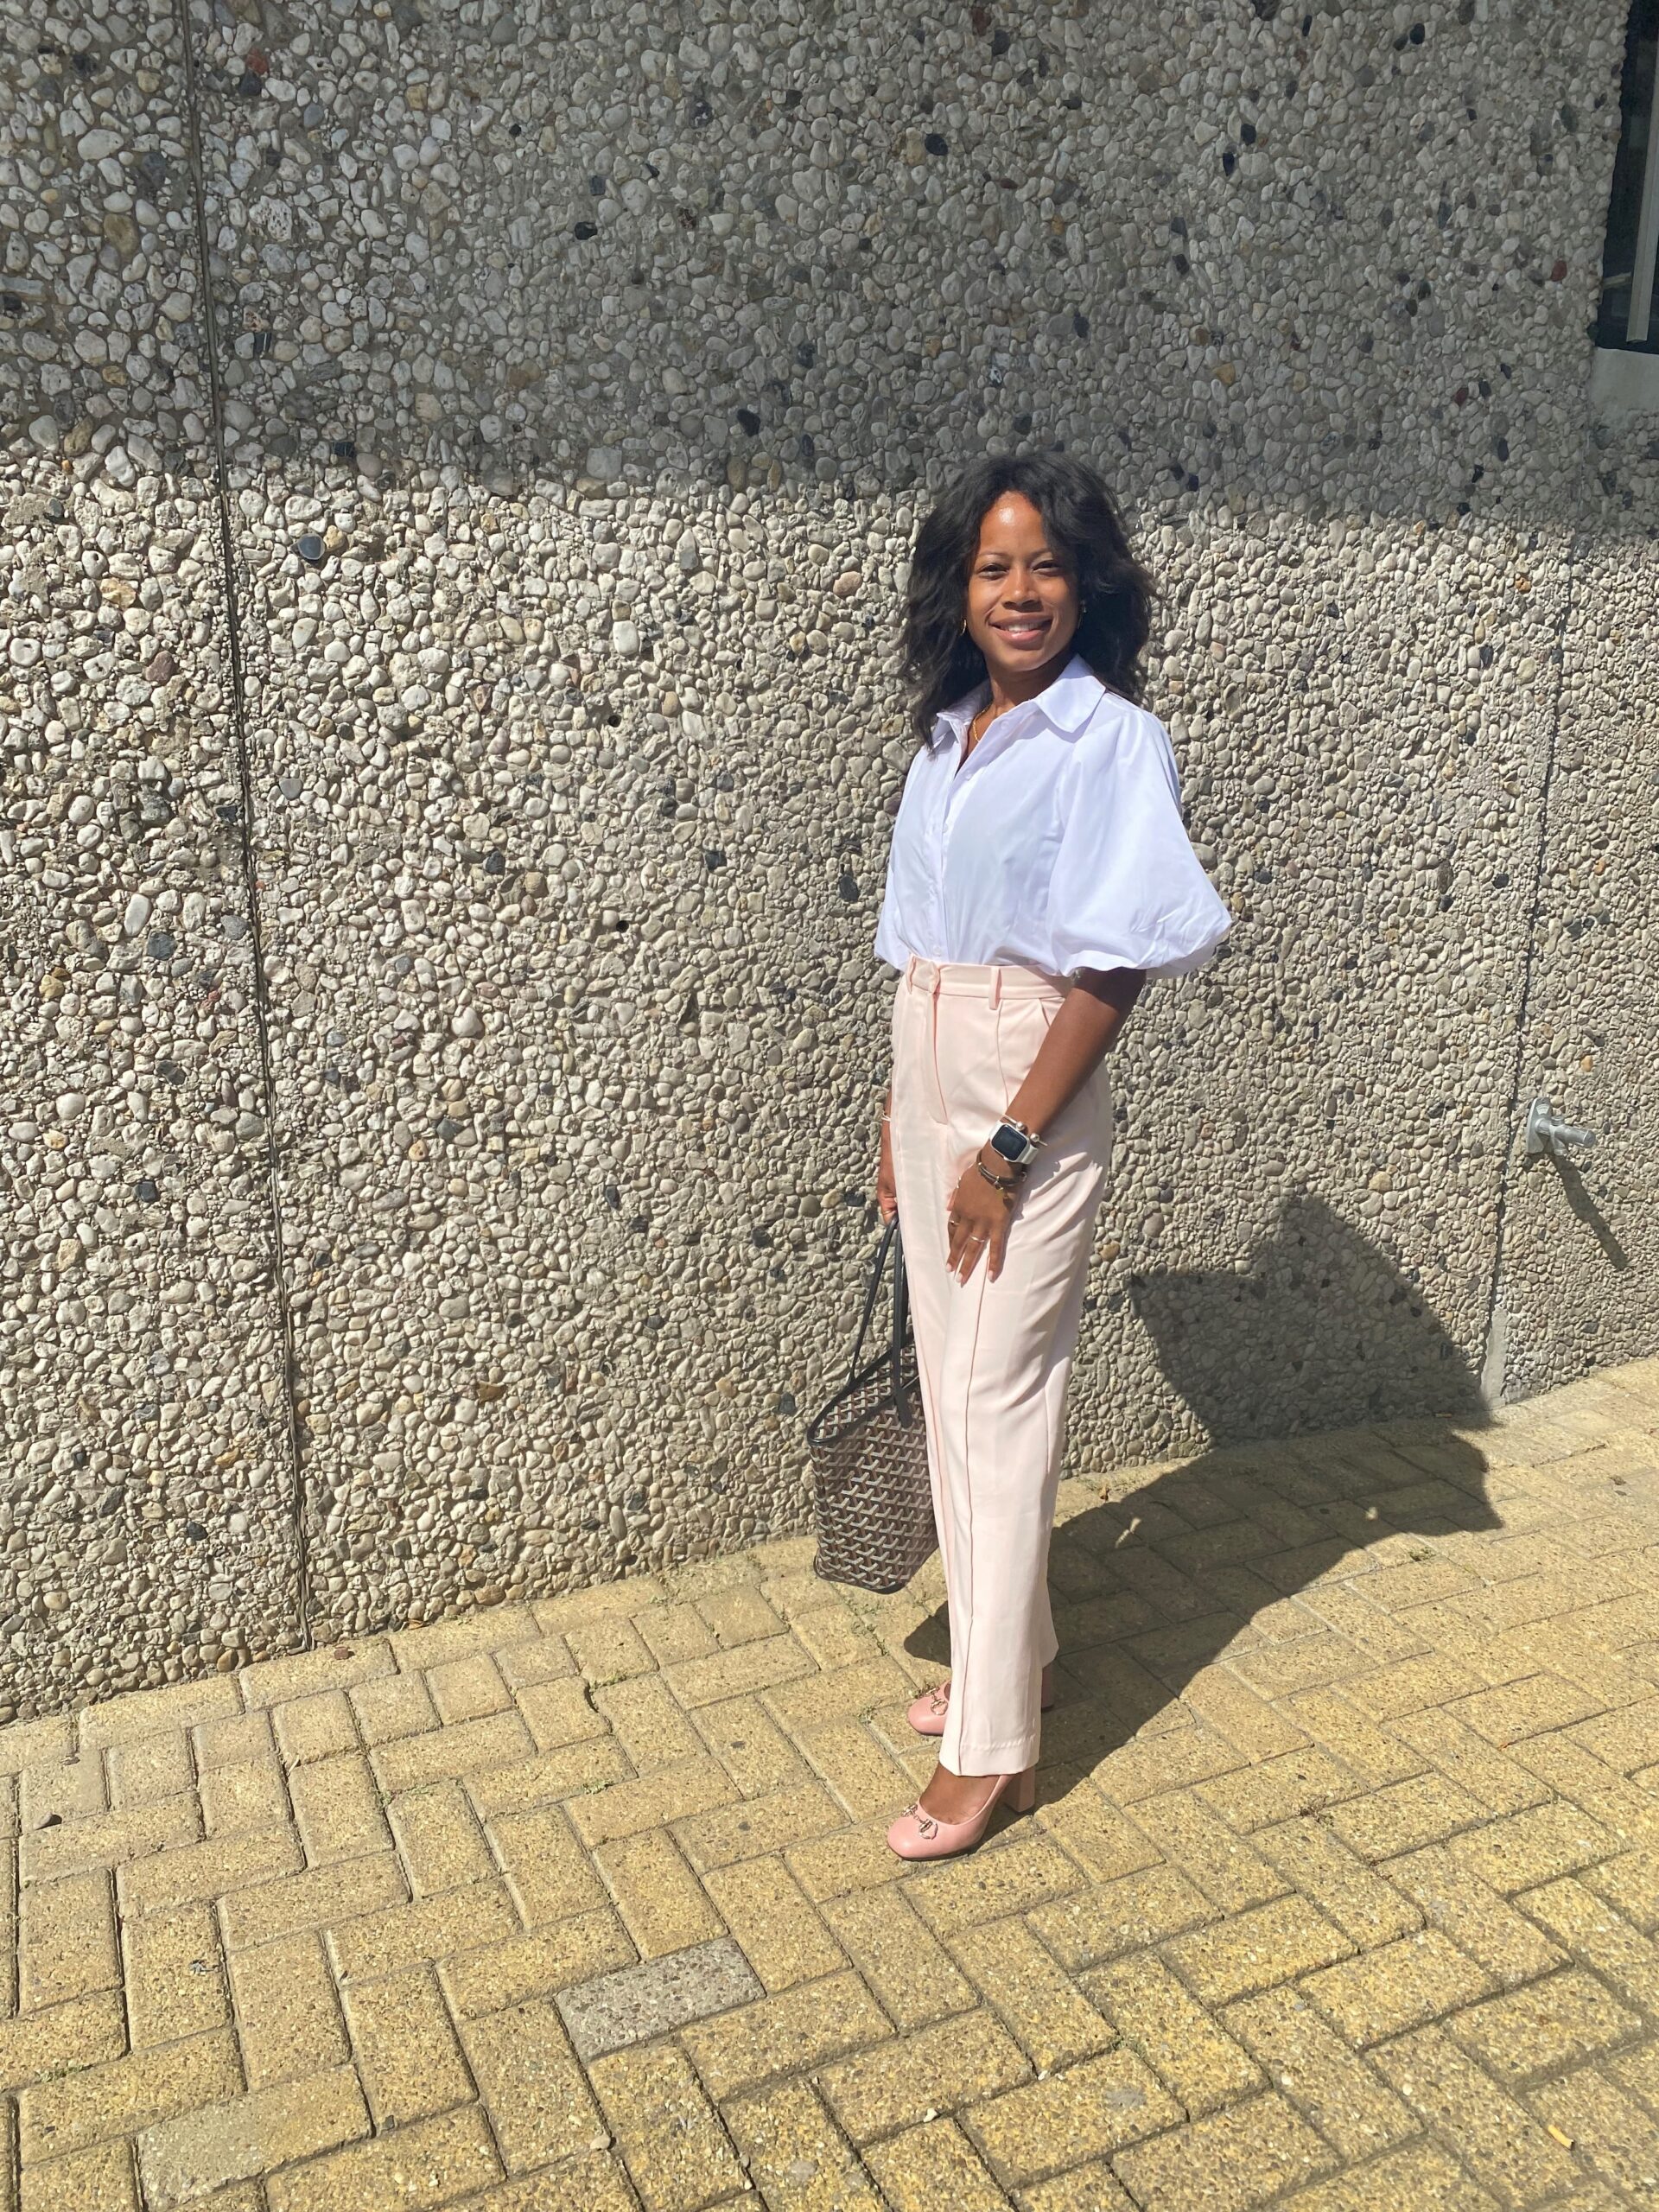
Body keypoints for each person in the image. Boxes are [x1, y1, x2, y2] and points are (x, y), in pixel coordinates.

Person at [873, 453, 1230, 1859]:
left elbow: (1113, 963)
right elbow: (919, 947)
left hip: (1027, 1086)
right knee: (955, 1392)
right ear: (958, 592)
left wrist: (1008, 1143)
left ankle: (993, 1752)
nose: (1021, 592)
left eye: (1046, 566)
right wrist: (899, 1122)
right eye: (994, 568)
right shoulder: (946, 736)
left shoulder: (1111, 742)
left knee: (994, 1402)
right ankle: (1007, 1655)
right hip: (929, 1070)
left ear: (1087, 585)